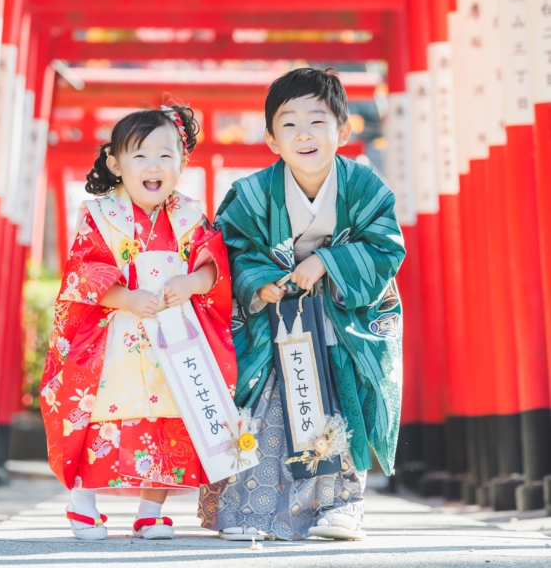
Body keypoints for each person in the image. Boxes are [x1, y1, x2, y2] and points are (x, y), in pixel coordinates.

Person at [199, 67, 405, 542]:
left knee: (341, 403)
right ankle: (249, 511)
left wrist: (327, 263)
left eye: (317, 121)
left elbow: (385, 248)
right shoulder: (252, 194)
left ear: (343, 130)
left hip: (340, 321)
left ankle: (341, 506)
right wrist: (260, 284)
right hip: (276, 325)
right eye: (289, 124)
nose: (303, 134)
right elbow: (228, 250)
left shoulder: (365, 187)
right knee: (268, 411)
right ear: (272, 139)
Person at [40, 105, 235, 541]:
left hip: (172, 337)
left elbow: (214, 266)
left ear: (182, 163)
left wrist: (192, 281)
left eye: (166, 155)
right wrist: (126, 297)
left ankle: (151, 509)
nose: (154, 166)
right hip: (114, 336)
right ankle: (83, 501)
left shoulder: (188, 215)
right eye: (140, 155)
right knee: (98, 414)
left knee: (168, 418)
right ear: (116, 164)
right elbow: (83, 273)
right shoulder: (99, 214)